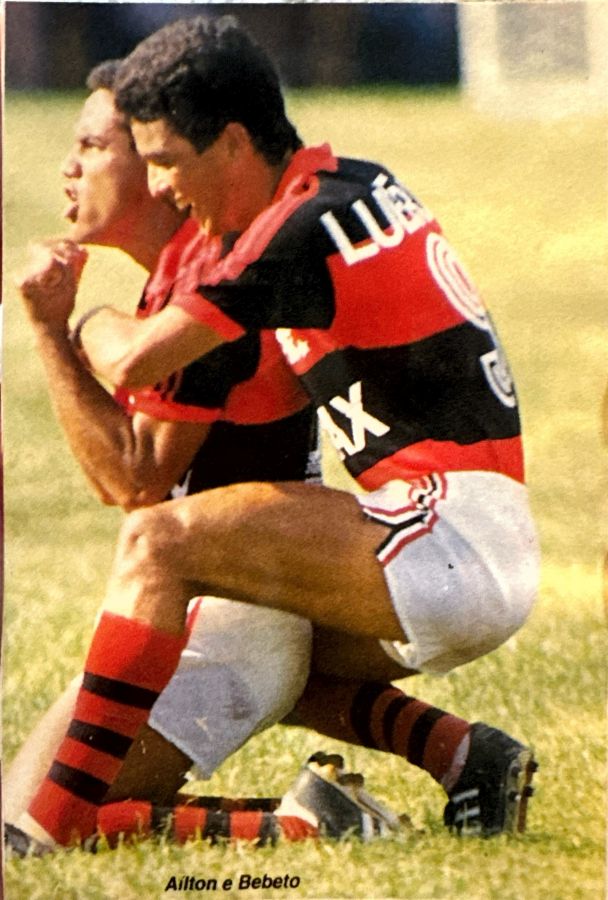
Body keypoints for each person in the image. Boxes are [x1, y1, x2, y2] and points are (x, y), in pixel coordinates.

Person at [13, 16, 540, 852]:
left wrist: (68, 323)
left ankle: (101, 821)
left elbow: (137, 411)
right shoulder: (348, 183)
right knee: (248, 632)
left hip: (444, 536)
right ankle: (444, 759)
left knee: (154, 548)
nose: (164, 186)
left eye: (166, 160)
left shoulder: (284, 234)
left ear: (230, 141)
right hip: (465, 535)